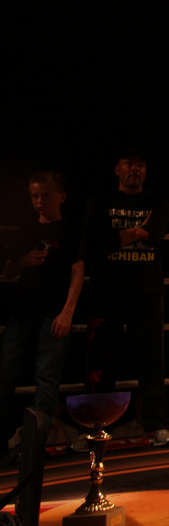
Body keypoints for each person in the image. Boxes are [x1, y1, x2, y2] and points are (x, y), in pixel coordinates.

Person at [81, 149, 169, 446]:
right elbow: (98, 241)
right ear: (117, 169)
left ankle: (158, 426)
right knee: (100, 361)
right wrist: (138, 231)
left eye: (140, 165)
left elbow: (156, 232)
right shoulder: (99, 203)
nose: (134, 169)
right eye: (129, 164)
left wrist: (119, 237)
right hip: (106, 289)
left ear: (145, 171)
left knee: (151, 361)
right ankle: (95, 427)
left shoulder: (158, 204)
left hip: (147, 289)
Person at [0, 171, 84, 460]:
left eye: (45, 195)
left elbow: (78, 271)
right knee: (5, 375)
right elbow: (8, 271)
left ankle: (33, 443)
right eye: (34, 195)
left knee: (47, 378)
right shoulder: (26, 229)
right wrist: (22, 262)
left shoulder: (70, 230)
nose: (39, 201)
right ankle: (5, 439)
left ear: (61, 197)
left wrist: (67, 312)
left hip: (54, 313)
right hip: (22, 312)